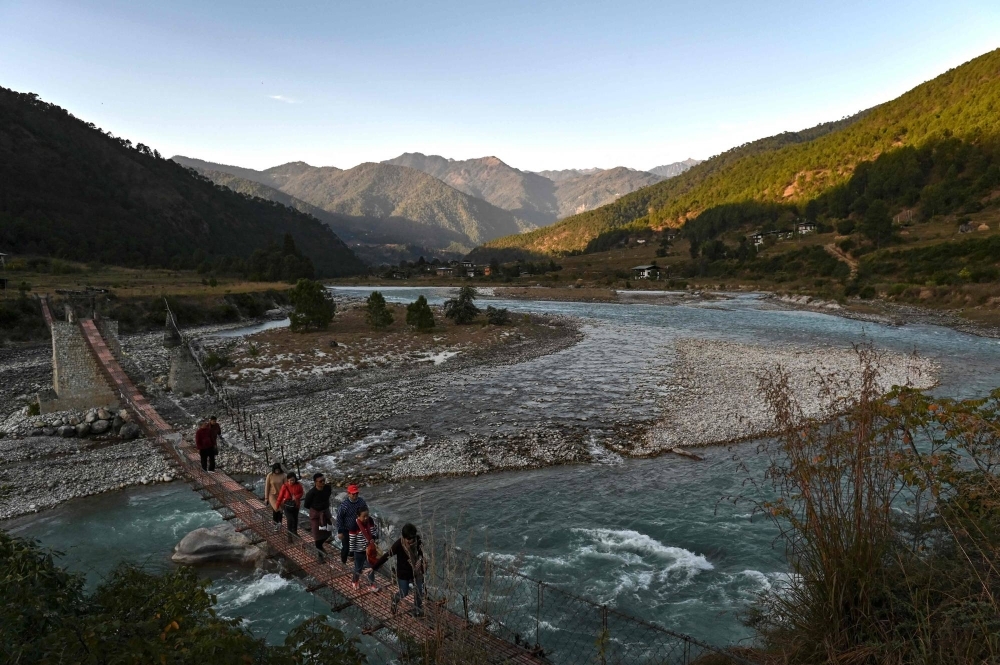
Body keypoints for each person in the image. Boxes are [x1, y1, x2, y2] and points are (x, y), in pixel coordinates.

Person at [374, 523, 425, 616]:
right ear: (404, 537)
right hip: (403, 573)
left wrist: (420, 560)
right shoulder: (398, 545)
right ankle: (394, 599)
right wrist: (374, 567)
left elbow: (421, 553)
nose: (411, 541)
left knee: (419, 591)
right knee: (403, 592)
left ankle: (417, 611)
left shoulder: (418, 540)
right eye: (408, 539)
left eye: (413, 538)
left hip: (416, 572)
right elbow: (387, 555)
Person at [336, 484, 369, 565]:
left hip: (359, 529)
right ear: (349, 494)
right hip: (347, 529)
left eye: (356, 493)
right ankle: (343, 562)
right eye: (353, 494)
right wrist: (340, 531)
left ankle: (359, 561)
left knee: (359, 546)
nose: (355, 495)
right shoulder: (344, 505)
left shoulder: (361, 502)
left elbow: (366, 511)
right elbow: (339, 517)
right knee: (346, 547)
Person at [303, 473, 334, 560]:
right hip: (316, 514)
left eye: (324, 480)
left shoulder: (328, 488)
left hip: (325, 512)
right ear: (315, 482)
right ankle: (320, 556)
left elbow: (328, 496)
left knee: (329, 532)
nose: (323, 483)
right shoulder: (311, 493)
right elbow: (306, 505)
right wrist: (316, 508)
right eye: (320, 481)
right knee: (317, 535)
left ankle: (321, 547)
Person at [349, 506, 380, 592]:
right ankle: (355, 581)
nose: (366, 518)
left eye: (367, 515)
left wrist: (374, 537)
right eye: (364, 516)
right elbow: (352, 540)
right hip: (359, 551)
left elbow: (374, 531)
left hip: (369, 550)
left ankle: (372, 584)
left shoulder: (370, 520)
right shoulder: (354, 525)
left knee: (371, 567)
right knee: (358, 568)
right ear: (358, 516)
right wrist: (351, 552)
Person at [274, 473, 303, 541]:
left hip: (296, 505)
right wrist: (277, 505)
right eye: (289, 480)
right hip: (287, 506)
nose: (291, 482)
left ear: (295, 479)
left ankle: (295, 532)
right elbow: (280, 496)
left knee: (295, 519)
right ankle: (289, 536)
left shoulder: (298, 485)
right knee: (290, 520)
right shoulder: (285, 486)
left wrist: (296, 497)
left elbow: (301, 493)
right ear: (287, 480)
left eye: (292, 480)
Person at [264, 463, 286, 530]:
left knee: (279, 510)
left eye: (278, 470)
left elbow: (286, 487)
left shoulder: (284, 475)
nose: (277, 471)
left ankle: (278, 523)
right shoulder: (270, 475)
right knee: (277, 508)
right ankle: (277, 523)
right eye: (276, 470)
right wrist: (266, 498)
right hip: (272, 494)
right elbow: (267, 487)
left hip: (281, 495)